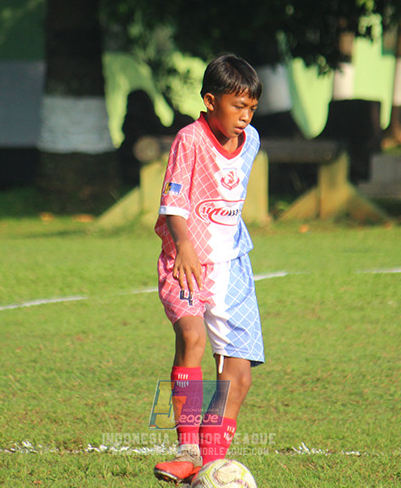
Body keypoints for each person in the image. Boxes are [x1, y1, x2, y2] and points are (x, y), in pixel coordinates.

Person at [152, 54, 265, 484]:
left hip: (233, 267)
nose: (245, 117)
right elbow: (174, 201)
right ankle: (187, 449)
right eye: (238, 106)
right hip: (187, 262)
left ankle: (210, 463)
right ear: (210, 100)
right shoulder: (189, 139)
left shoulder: (251, 140)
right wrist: (182, 245)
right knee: (193, 337)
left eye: (251, 108)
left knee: (238, 374)